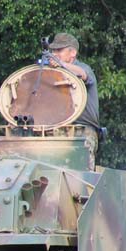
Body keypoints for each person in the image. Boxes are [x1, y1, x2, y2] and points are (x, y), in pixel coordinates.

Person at [47, 33, 100, 167]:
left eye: (59, 50)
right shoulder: (53, 72)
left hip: (83, 129)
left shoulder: (82, 68)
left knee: (82, 168)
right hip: (57, 128)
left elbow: (82, 74)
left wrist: (61, 65)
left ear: (73, 53)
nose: (55, 54)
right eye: (53, 51)